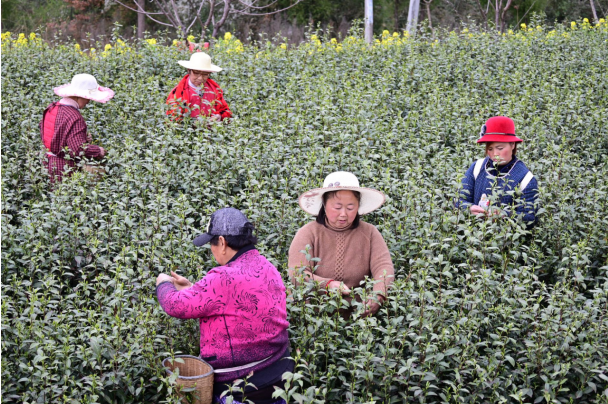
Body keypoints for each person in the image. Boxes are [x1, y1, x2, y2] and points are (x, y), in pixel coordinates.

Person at [156, 208, 291, 404]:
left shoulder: (222, 277)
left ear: (222, 242)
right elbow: (232, 305)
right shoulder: (267, 266)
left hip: (241, 389)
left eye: (212, 243)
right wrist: (192, 288)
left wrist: (163, 282)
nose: (211, 249)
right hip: (279, 380)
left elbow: (174, 305)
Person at [288, 171, 394, 317]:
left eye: (350, 208)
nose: (343, 213)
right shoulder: (308, 233)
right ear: (324, 205)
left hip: (359, 315)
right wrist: (326, 284)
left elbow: (383, 267)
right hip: (317, 317)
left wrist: (378, 294)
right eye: (337, 207)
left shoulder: (370, 233)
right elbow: (297, 272)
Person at [456, 116, 538, 227]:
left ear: (512, 145)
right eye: (490, 149)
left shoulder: (526, 179)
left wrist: (505, 215)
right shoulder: (477, 168)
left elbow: (529, 218)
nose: (495, 154)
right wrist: (468, 208)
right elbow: (459, 200)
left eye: (500, 148)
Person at [40, 73, 114, 184]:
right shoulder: (74, 117)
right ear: (79, 96)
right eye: (87, 98)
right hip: (63, 170)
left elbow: (51, 135)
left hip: (46, 164)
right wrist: (98, 151)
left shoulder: (53, 107)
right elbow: (78, 149)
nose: (89, 101)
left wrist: (82, 138)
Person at [166, 52, 232, 122]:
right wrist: (192, 124)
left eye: (205, 74)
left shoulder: (214, 89)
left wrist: (219, 116)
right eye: (196, 73)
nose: (200, 78)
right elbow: (172, 118)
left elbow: (226, 111)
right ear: (189, 70)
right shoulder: (178, 92)